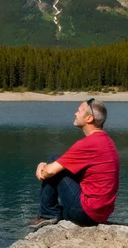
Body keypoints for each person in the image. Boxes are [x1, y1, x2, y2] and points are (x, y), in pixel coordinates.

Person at [28, 98, 120, 230]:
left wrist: (42, 167)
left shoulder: (89, 144)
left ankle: (47, 215)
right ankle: (53, 212)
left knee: (54, 159)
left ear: (89, 118)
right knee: (57, 162)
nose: (75, 114)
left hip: (86, 214)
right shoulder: (106, 141)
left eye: (79, 111)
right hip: (101, 213)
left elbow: (49, 172)